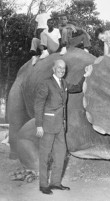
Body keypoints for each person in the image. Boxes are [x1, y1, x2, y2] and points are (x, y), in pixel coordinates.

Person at [34, 59, 85, 195]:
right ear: (53, 68)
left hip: (61, 125)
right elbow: (38, 105)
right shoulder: (46, 83)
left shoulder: (64, 83)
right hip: (47, 125)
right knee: (45, 156)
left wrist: (85, 75)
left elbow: (77, 88)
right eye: (59, 67)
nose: (62, 70)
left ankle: (55, 183)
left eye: (63, 68)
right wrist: (39, 125)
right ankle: (43, 185)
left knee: (60, 155)